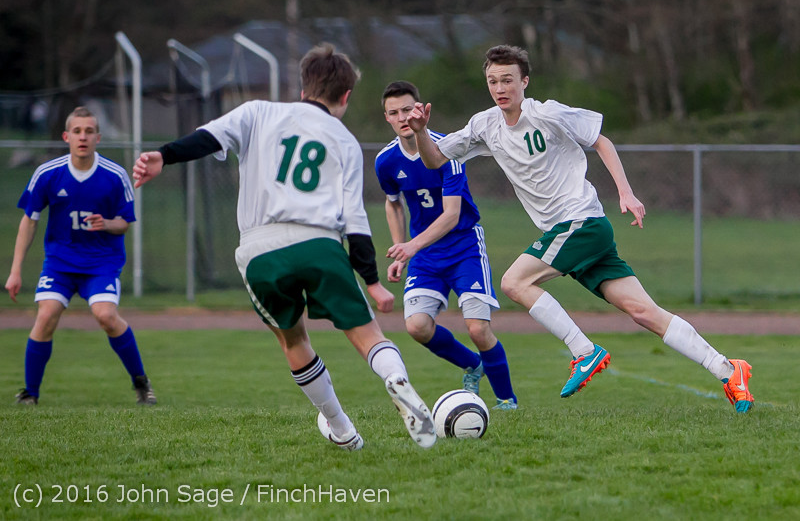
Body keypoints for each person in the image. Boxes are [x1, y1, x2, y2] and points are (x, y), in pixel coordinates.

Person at [407, 45, 754, 413]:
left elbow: (600, 140)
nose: (500, 87)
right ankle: (728, 369)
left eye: (508, 79)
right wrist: (422, 132)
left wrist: (626, 192)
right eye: (493, 81)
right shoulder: (485, 125)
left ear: (524, 81)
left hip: (580, 222)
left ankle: (583, 351)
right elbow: (436, 159)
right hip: (575, 233)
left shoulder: (548, 113)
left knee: (513, 282)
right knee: (643, 312)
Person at [132, 44, 436, 449]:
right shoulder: (344, 141)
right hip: (319, 244)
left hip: (260, 251)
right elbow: (356, 221)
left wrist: (163, 156)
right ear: (345, 96)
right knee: (366, 334)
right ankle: (395, 378)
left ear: (303, 85)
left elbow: (208, 137)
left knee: (293, 340)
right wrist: (373, 282)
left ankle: (341, 428)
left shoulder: (258, 111)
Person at [375, 81, 517, 410]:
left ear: (421, 109)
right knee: (417, 326)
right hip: (424, 254)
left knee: (479, 329)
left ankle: (507, 400)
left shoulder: (448, 149)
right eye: (393, 112)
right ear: (386, 118)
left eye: (407, 109)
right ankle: (473, 365)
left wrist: (411, 247)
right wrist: (400, 249)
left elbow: (452, 215)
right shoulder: (385, 161)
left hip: (463, 244)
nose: (402, 117)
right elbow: (393, 203)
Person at [6, 106, 157, 406]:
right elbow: (30, 220)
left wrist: (107, 223)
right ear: (66, 137)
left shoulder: (114, 176)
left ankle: (141, 382)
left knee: (106, 316)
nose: (83, 137)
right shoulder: (48, 174)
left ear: (98, 137)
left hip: (101, 263)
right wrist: (15, 270)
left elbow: (124, 223)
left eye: (89, 131)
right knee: (46, 314)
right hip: (61, 263)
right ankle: (30, 394)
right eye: (77, 131)